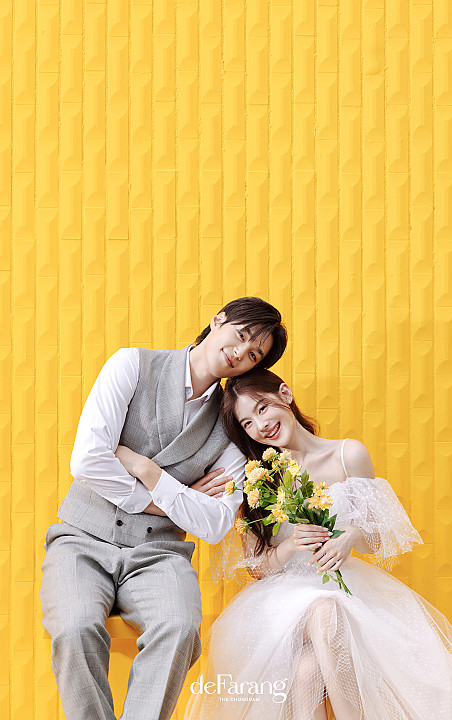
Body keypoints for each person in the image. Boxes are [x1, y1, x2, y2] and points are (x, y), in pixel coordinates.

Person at [40, 297, 288, 720]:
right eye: (242, 336)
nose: (240, 353)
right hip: (82, 538)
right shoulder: (132, 365)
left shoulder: (232, 422)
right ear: (218, 320)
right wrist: (175, 500)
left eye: (253, 355)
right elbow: (86, 462)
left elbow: (215, 523)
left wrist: (147, 469)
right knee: (74, 627)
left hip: (160, 553)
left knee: (180, 628)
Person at [182, 368, 452, 720]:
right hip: (284, 601)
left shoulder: (347, 455)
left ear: (285, 394)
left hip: (347, 588)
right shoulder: (261, 477)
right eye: (247, 423)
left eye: (262, 408)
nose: (260, 425)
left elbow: (376, 540)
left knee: (307, 672)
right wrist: (290, 546)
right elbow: (258, 568)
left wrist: (348, 537)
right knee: (325, 612)